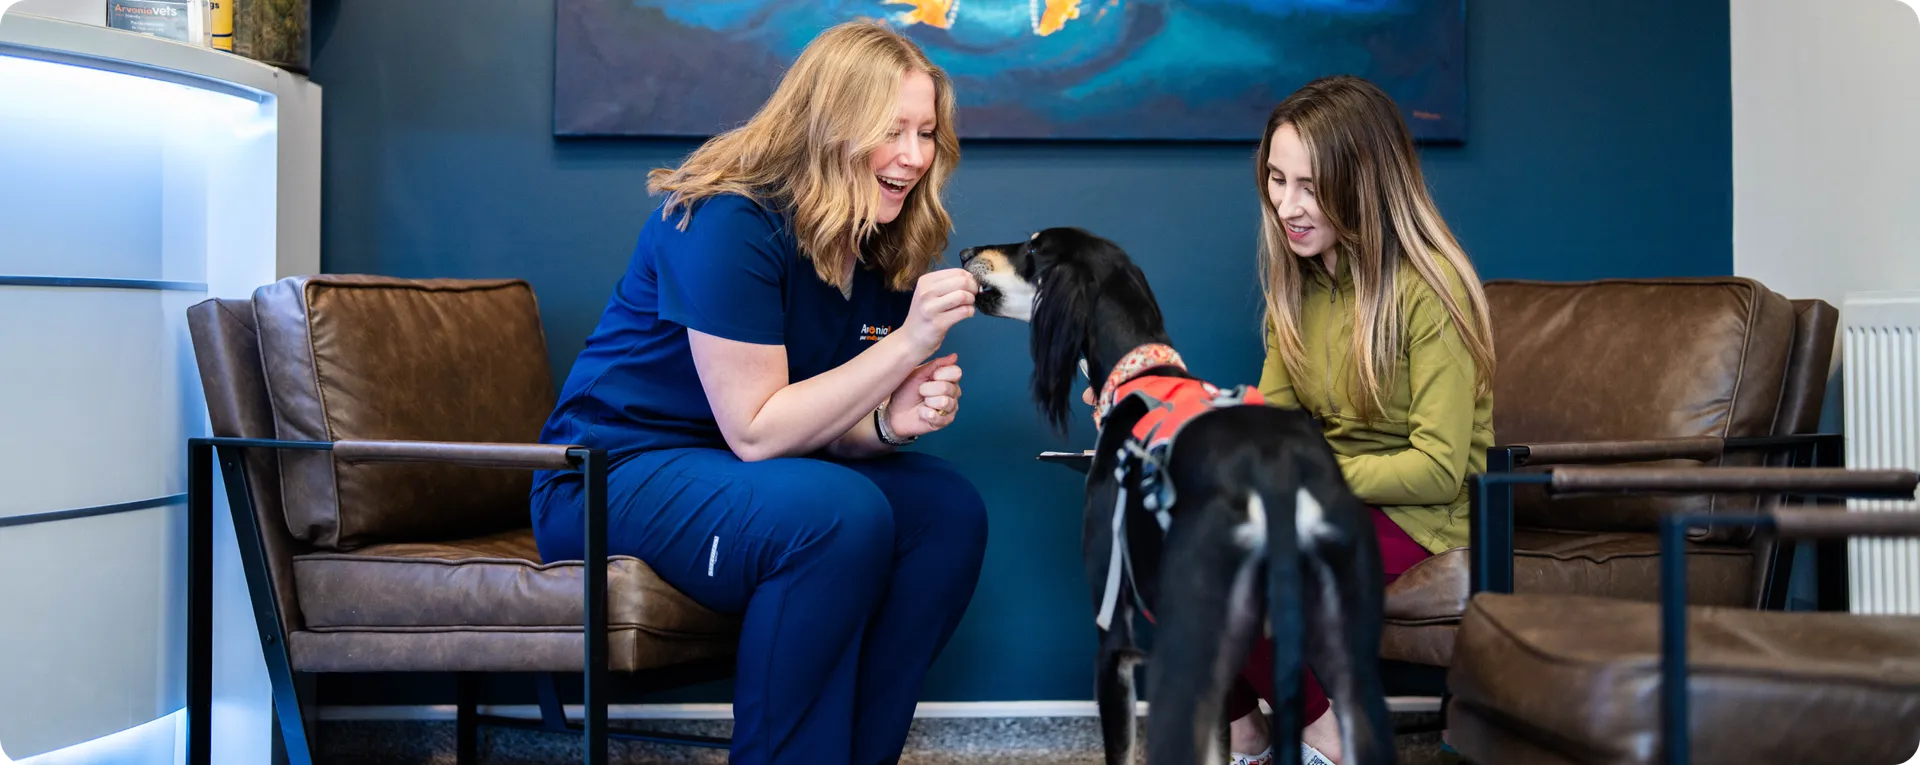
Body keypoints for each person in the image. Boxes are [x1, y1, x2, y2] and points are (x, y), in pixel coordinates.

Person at [528, 21, 988, 765]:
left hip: (742, 475)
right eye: (891, 131)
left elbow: (821, 425)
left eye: (926, 133)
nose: (912, 155)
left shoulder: (871, 232)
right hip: (609, 477)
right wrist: (907, 345)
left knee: (945, 511)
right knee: (835, 512)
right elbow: (757, 430)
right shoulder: (730, 219)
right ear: (831, 125)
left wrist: (887, 424)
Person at [1224, 75, 1497, 765]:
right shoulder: (1298, 290)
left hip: (1424, 515)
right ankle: (1244, 734)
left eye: (1310, 185)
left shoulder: (1431, 292)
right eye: (1277, 180)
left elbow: (1438, 466)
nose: (1288, 205)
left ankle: (1327, 735)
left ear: (1364, 183)